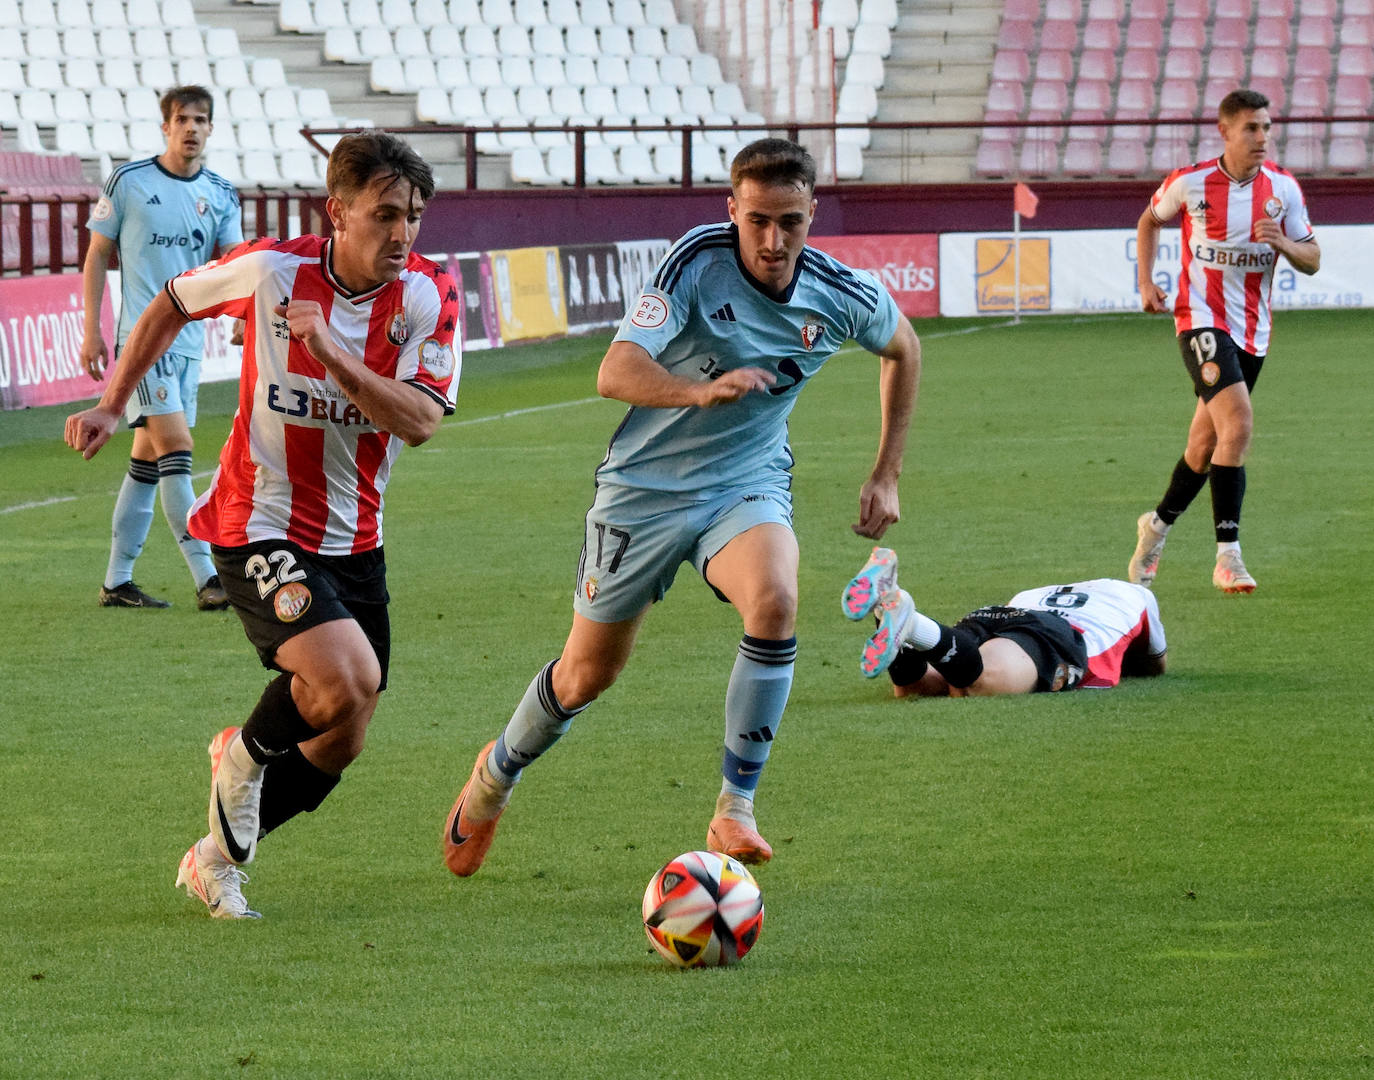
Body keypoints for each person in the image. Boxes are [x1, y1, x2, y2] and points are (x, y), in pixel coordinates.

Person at [442, 138, 922, 877]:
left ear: (811, 214)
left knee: (776, 598)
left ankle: (735, 810)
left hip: (746, 481)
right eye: (757, 219)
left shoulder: (839, 294)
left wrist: (887, 472)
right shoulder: (697, 263)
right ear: (732, 209)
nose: (773, 239)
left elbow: (905, 348)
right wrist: (697, 390)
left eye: (790, 221)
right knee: (586, 676)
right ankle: (495, 775)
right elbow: (615, 369)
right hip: (644, 492)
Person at [65, 132, 460, 918]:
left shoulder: (426, 294)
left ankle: (213, 856)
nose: (402, 233)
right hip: (257, 520)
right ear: (337, 212)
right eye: (384, 214)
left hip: (356, 539)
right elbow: (170, 304)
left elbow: (418, 421)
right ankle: (242, 758)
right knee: (346, 677)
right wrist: (116, 400)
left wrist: (328, 353)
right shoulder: (272, 267)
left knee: (344, 730)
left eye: (413, 215)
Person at [1129, 88, 1320, 595]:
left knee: (1203, 445)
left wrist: (1283, 242)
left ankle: (1157, 528)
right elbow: (1150, 219)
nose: (1262, 137)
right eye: (1252, 128)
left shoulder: (1284, 190)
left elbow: (1313, 257)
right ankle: (1228, 557)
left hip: (1253, 331)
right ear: (1227, 131)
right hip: (1199, 319)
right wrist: (1146, 282)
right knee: (1238, 424)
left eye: (1267, 128)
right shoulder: (1192, 182)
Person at [81, 84, 244, 610]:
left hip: (190, 343)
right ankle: (207, 578)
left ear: (211, 128)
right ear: (166, 127)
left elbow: (235, 262)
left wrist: (244, 316)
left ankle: (115, 582)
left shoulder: (220, 193)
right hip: (140, 342)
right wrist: (91, 328)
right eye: (182, 119)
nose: (191, 128)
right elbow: (96, 256)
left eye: (201, 119)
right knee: (177, 448)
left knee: (147, 466)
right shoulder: (130, 182)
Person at [844, 547, 1167, 697]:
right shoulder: (1136, 595)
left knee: (919, 687)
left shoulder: (1034, 592)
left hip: (997, 614)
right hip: (1057, 633)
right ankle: (910, 623)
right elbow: (1155, 664)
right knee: (982, 683)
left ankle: (891, 612)